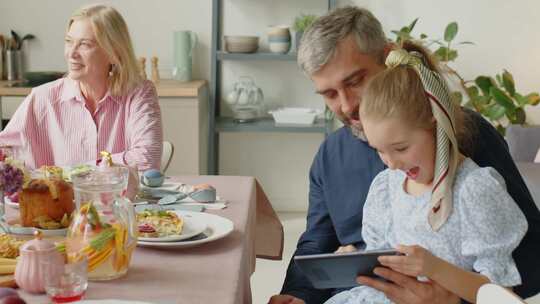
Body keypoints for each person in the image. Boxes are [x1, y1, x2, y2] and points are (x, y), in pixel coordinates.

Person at [269, 6, 540, 304]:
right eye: (330, 94)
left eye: (354, 81)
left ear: (388, 57)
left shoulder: (465, 137)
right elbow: (316, 243)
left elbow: (531, 258)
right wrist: (297, 295)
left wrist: (449, 299)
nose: (346, 106)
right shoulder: (330, 155)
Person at [325, 48, 528, 304]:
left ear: (436, 124)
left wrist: (433, 267)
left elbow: (499, 294)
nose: (392, 163)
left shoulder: (473, 189)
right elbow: (382, 261)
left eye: (400, 148)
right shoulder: (387, 185)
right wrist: (355, 259)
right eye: (379, 151)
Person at [0, 4, 162, 171]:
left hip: (120, 198)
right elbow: (3, 151)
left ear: (114, 53)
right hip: (57, 198)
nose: (71, 53)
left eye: (84, 44)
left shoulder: (139, 93)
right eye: (69, 42)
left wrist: (75, 172)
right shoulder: (42, 98)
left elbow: (146, 160)